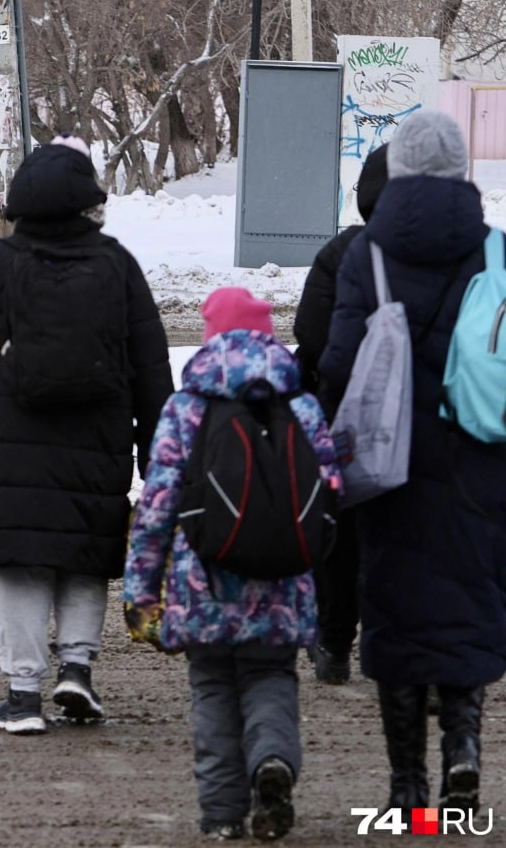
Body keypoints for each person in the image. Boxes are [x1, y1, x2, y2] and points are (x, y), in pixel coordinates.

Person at [0, 135, 172, 735]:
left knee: (21, 564)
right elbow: (151, 363)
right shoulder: (117, 264)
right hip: (97, 437)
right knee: (83, 558)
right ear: (87, 203)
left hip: (8, 438)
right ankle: (76, 671)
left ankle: (23, 698)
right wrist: (161, 454)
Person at [318, 109, 506, 815]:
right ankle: (463, 748)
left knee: (396, 618)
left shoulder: (366, 255)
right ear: (463, 172)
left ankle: (408, 790)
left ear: (396, 172)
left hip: (389, 469)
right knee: (470, 606)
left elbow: (337, 366)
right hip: (482, 459)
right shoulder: (497, 252)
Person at [124, 287, 340, 841]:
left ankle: (222, 814)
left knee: (213, 691)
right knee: (271, 678)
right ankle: (272, 762)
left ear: (209, 337)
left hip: (202, 585)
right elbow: (329, 493)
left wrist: (142, 592)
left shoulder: (185, 408)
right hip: (282, 584)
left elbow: (156, 507)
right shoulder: (303, 404)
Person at [292, 143, 389, 685]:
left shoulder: (343, 252)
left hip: (346, 419)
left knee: (341, 535)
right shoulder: (463, 249)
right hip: (435, 420)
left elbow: (313, 336)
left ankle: (332, 642)